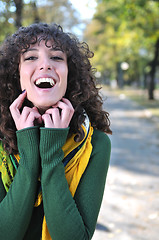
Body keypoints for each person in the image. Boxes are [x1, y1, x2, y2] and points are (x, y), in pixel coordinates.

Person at [0, 22, 111, 240]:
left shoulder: (95, 144)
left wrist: (51, 151)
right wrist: (30, 152)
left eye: (57, 57)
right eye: (31, 57)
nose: (45, 65)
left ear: (70, 74)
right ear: (16, 74)